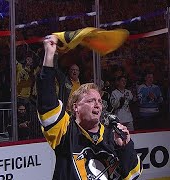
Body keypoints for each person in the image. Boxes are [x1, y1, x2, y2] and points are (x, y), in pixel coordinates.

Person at [36, 35, 142, 180]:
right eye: (91, 100)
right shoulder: (66, 131)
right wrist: (49, 56)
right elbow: (46, 101)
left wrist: (125, 147)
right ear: (76, 107)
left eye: (99, 100)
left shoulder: (113, 135)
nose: (97, 104)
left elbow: (132, 175)